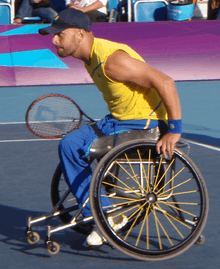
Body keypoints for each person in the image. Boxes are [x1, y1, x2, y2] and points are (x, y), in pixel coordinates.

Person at [39, 8, 182, 247]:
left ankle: (105, 217)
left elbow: (165, 81)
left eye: (59, 34)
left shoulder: (112, 60)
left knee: (79, 148)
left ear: (80, 35)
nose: (54, 40)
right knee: (70, 144)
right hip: (117, 120)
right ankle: (101, 210)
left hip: (143, 124)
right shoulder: (89, 56)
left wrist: (174, 130)